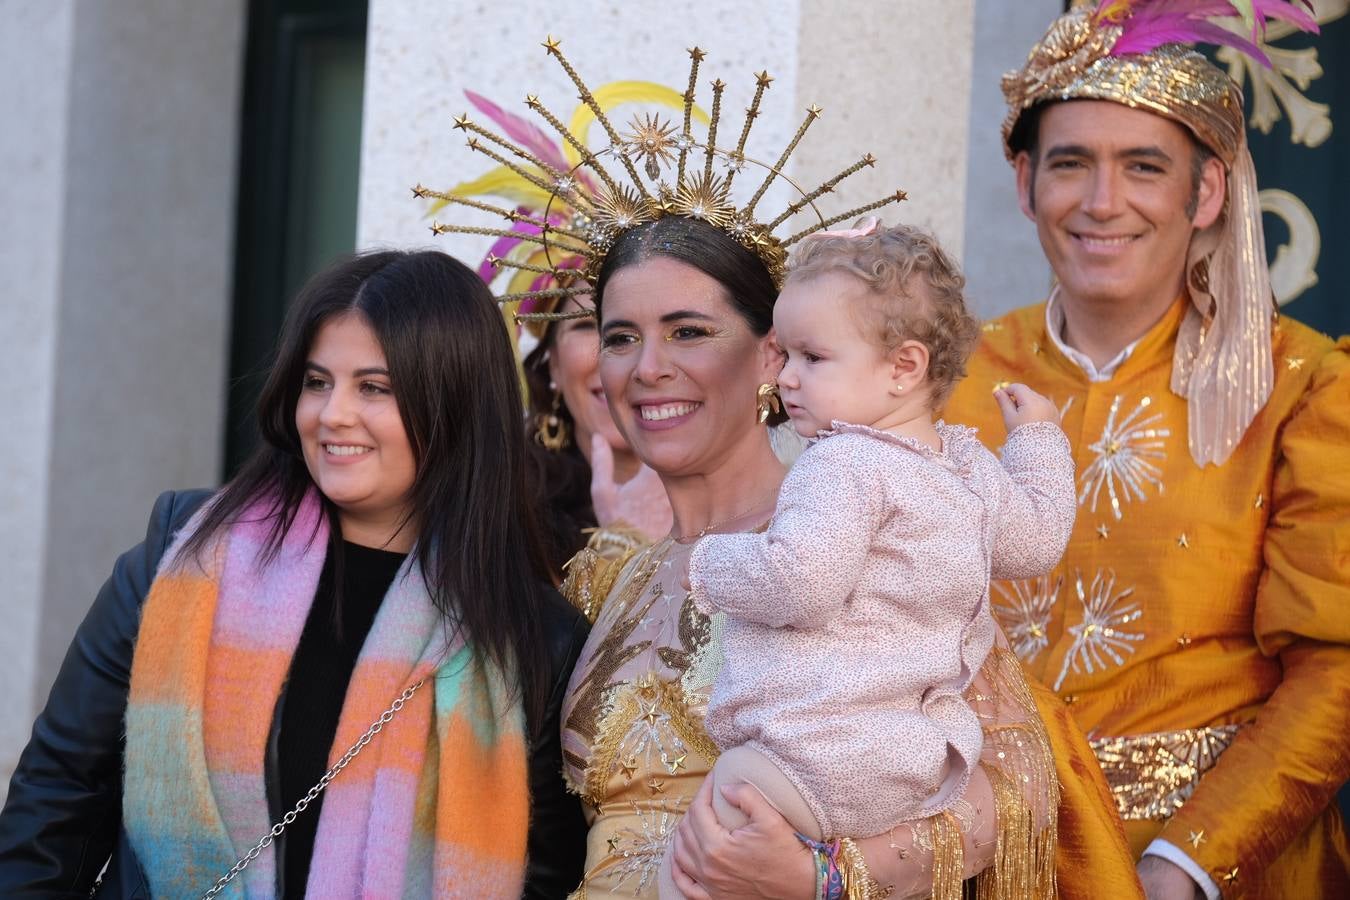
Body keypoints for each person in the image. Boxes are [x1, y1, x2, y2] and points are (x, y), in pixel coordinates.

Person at [423, 41, 1140, 899]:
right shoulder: (607, 578)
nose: (646, 367)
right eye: (620, 336)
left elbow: (1008, 791)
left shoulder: (869, 530)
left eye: (689, 332)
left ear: (773, 357)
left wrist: (822, 877)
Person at [0, 250, 588, 898]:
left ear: (455, 405)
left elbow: (545, 880)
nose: (332, 414)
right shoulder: (185, 555)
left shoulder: (533, 641)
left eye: (374, 387)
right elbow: (57, 797)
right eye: (316, 382)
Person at [944, 3, 1349, 898]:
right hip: (975, 858)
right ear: (1024, 181)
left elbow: (1335, 673)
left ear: (1205, 193)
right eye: (1070, 164)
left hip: (1206, 867)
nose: (1101, 202)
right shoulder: (946, 375)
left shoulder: (1304, 385)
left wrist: (1186, 864)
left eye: (1143, 167)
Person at [657, 219, 1077, 898]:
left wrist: (709, 564)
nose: (787, 379)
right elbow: (1039, 541)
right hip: (916, 765)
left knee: (697, 861)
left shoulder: (845, 460)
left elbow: (803, 581)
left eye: (812, 358)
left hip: (813, 755)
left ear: (904, 367)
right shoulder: (966, 468)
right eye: (784, 355)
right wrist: (1037, 440)